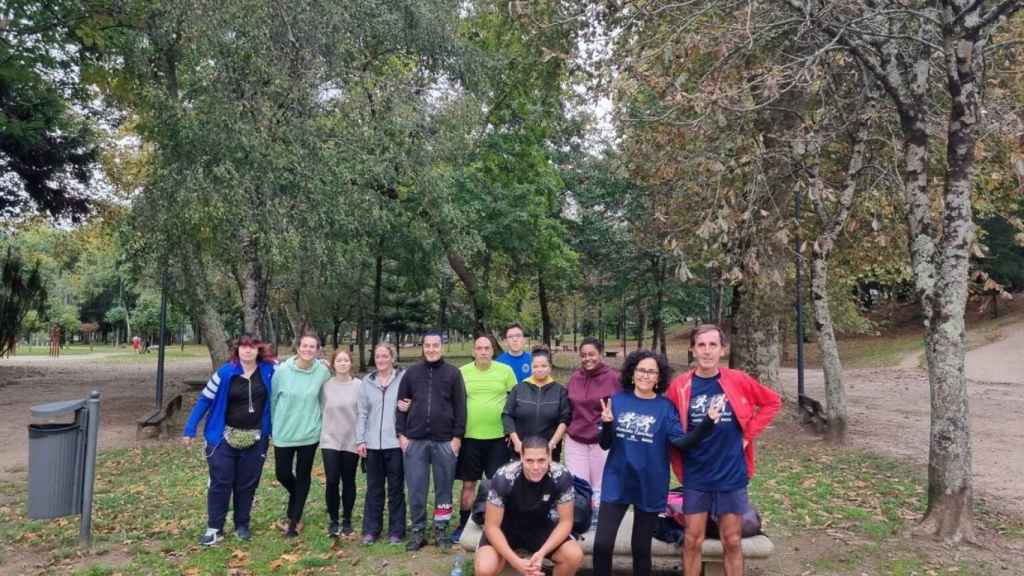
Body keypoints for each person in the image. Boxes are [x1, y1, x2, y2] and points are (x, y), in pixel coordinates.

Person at [666, 324, 781, 576]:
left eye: (713, 345)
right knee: (692, 539)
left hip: (731, 473)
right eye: (701, 345)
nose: (707, 351)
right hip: (696, 474)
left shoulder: (737, 380)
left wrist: (748, 436)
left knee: (731, 540)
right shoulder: (680, 386)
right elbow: (669, 425)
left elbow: (772, 402)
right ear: (692, 350)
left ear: (722, 350)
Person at [592, 350, 719, 576]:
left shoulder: (665, 407)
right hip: (617, 480)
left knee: (640, 548)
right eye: (641, 370)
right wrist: (608, 424)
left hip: (650, 483)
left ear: (659, 378)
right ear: (632, 373)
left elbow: (682, 442)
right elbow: (604, 444)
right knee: (602, 545)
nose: (646, 375)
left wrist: (707, 423)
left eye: (652, 372)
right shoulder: (617, 401)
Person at [182, 334, 276, 546]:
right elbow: (204, 400)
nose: (247, 350)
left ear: (258, 350)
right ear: (237, 350)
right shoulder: (224, 373)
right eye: (243, 346)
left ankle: (242, 524)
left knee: (247, 484)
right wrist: (190, 429)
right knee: (220, 482)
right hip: (222, 439)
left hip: (256, 438)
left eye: (252, 347)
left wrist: (319, 362)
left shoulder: (270, 371)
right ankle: (215, 528)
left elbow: (294, 368)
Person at [395, 331, 467, 551]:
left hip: (445, 441)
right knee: (416, 487)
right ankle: (418, 530)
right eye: (427, 345)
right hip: (415, 440)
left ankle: (441, 528)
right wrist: (402, 434)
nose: (431, 349)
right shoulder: (411, 373)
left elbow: (461, 408)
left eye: (435, 345)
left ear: (441, 347)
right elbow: (400, 405)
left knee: (444, 488)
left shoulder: (453, 374)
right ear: (423, 347)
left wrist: (457, 437)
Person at [473, 436, 584, 576]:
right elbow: (491, 526)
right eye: (529, 461)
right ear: (521, 457)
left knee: (573, 556)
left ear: (549, 456)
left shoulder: (561, 475)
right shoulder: (504, 477)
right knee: (484, 569)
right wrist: (515, 562)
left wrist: (542, 552)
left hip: (541, 527)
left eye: (541, 460)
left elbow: (566, 522)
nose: (535, 467)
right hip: (505, 529)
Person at [452, 335, 517, 542]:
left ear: (492, 351)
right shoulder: (462, 372)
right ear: (474, 351)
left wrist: (511, 431)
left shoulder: (505, 371)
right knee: (469, 484)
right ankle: (463, 524)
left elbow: (514, 403)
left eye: (487, 348)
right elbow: (455, 404)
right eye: (479, 348)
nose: (483, 352)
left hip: (498, 438)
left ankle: (497, 524)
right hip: (470, 438)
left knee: (496, 484)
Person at [271, 332, 331, 538]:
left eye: (312, 347)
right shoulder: (282, 372)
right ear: (298, 348)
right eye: (304, 346)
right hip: (284, 432)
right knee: (282, 473)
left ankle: (293, 521)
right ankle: (298, 495)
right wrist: (273, 426)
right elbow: (273, 400)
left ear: (318, 350)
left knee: (304, 475)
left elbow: (326, 399)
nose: (307, 349)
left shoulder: (322, 372)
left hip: (309, 433)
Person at [356, 343, 407, 545]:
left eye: (385, 356)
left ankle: (396, 530)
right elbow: (362, 413)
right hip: (372, 445)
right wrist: (360, 439)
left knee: (396, 488)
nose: (381, 360)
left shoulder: (403, 379)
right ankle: (371, 530)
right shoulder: (366, 382)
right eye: (378, 356)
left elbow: (413, 402)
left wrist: (408, 405)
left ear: (392, 358)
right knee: (374, 488)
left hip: (395, 443)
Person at [564, 337, 621, 502]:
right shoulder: (575, 378)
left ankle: (598, 519)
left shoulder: (614, 379)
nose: (587, 358)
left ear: (601, 354)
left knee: (600, 485)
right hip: (575, 440)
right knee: (579, 484)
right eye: (583, 355)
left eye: (592, 354)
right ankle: (582, 518)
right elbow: (567, 406)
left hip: (601, 441)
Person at [503, 347, 571, 462]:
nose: (539, 370)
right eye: (535, 366)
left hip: (549, 451)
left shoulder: (560, 391)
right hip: (521, 450)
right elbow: (507, 415)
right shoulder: (519, 389)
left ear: (550, 367)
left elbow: (565, 419)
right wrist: (516, 442)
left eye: (544, 366)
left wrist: (552, 443)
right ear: (531, 367)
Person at [320, 348, 361, 537]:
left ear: (351, 363)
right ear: (333, 364)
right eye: (339, 361)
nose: (343, 363)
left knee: (349, 480)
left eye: (346, 360)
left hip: (351, 440)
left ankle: (347, 520)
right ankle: (334, 519)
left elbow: (363, 414)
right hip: (330, 439)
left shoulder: (359, 386)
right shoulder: (325, 386)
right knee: (332, 480)